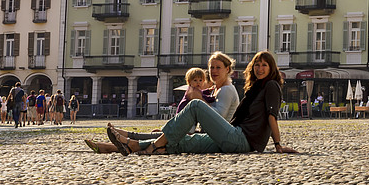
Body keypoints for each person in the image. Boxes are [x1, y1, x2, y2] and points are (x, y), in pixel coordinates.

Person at [105, 50, 297, 155]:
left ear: (271, 68)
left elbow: (272, 117)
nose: (260, 68)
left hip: (242, 139)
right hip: (233, 137)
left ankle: (155, 143)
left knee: (196, 105)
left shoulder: (271, 85)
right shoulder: (256, 88)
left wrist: (278, 145)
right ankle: (132, 144)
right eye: (257, 64)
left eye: (264, 65)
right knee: (186, 141)